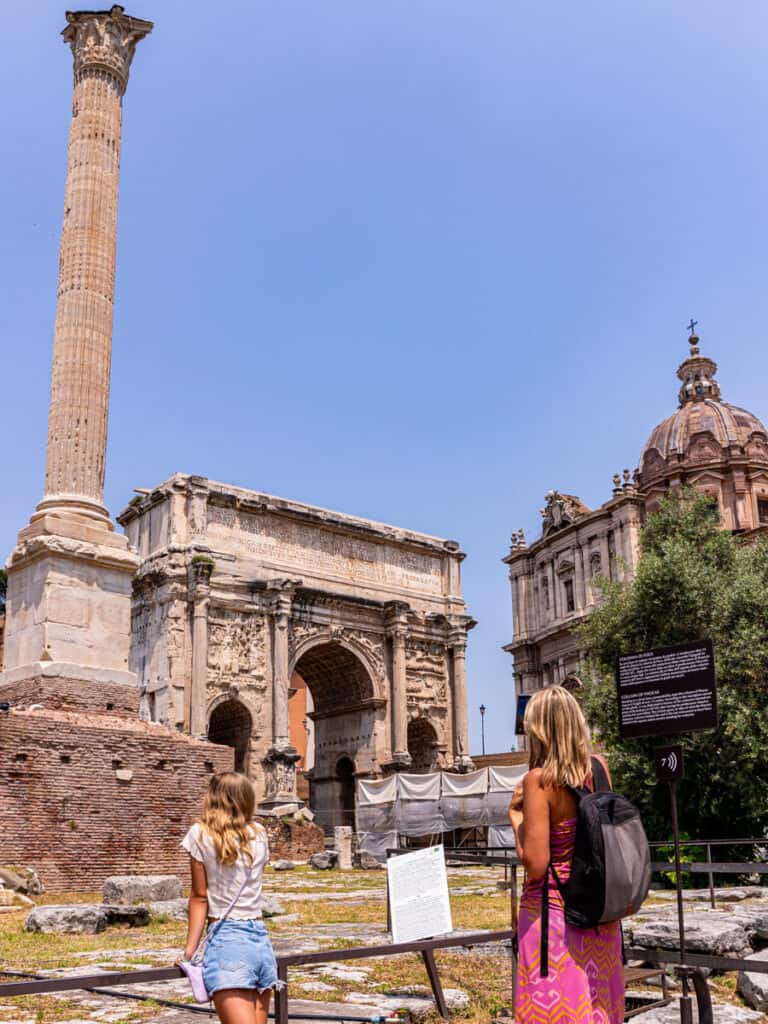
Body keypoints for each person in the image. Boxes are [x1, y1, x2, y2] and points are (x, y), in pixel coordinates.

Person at [508, 686, 624, 1024]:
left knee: (553, 1011)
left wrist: (516, 819)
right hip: (600, 916)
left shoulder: (539, 781)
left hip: (554, 921)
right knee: (598, 1007)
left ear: (539, 731)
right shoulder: (600, 768)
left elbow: (536, 865)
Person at [178, 772, 282, 1024]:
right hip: (260, 941)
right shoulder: (259, 833)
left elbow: (200, 897)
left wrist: (189, 951)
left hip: (228, 942)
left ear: (213, 797)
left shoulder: (200, 834)